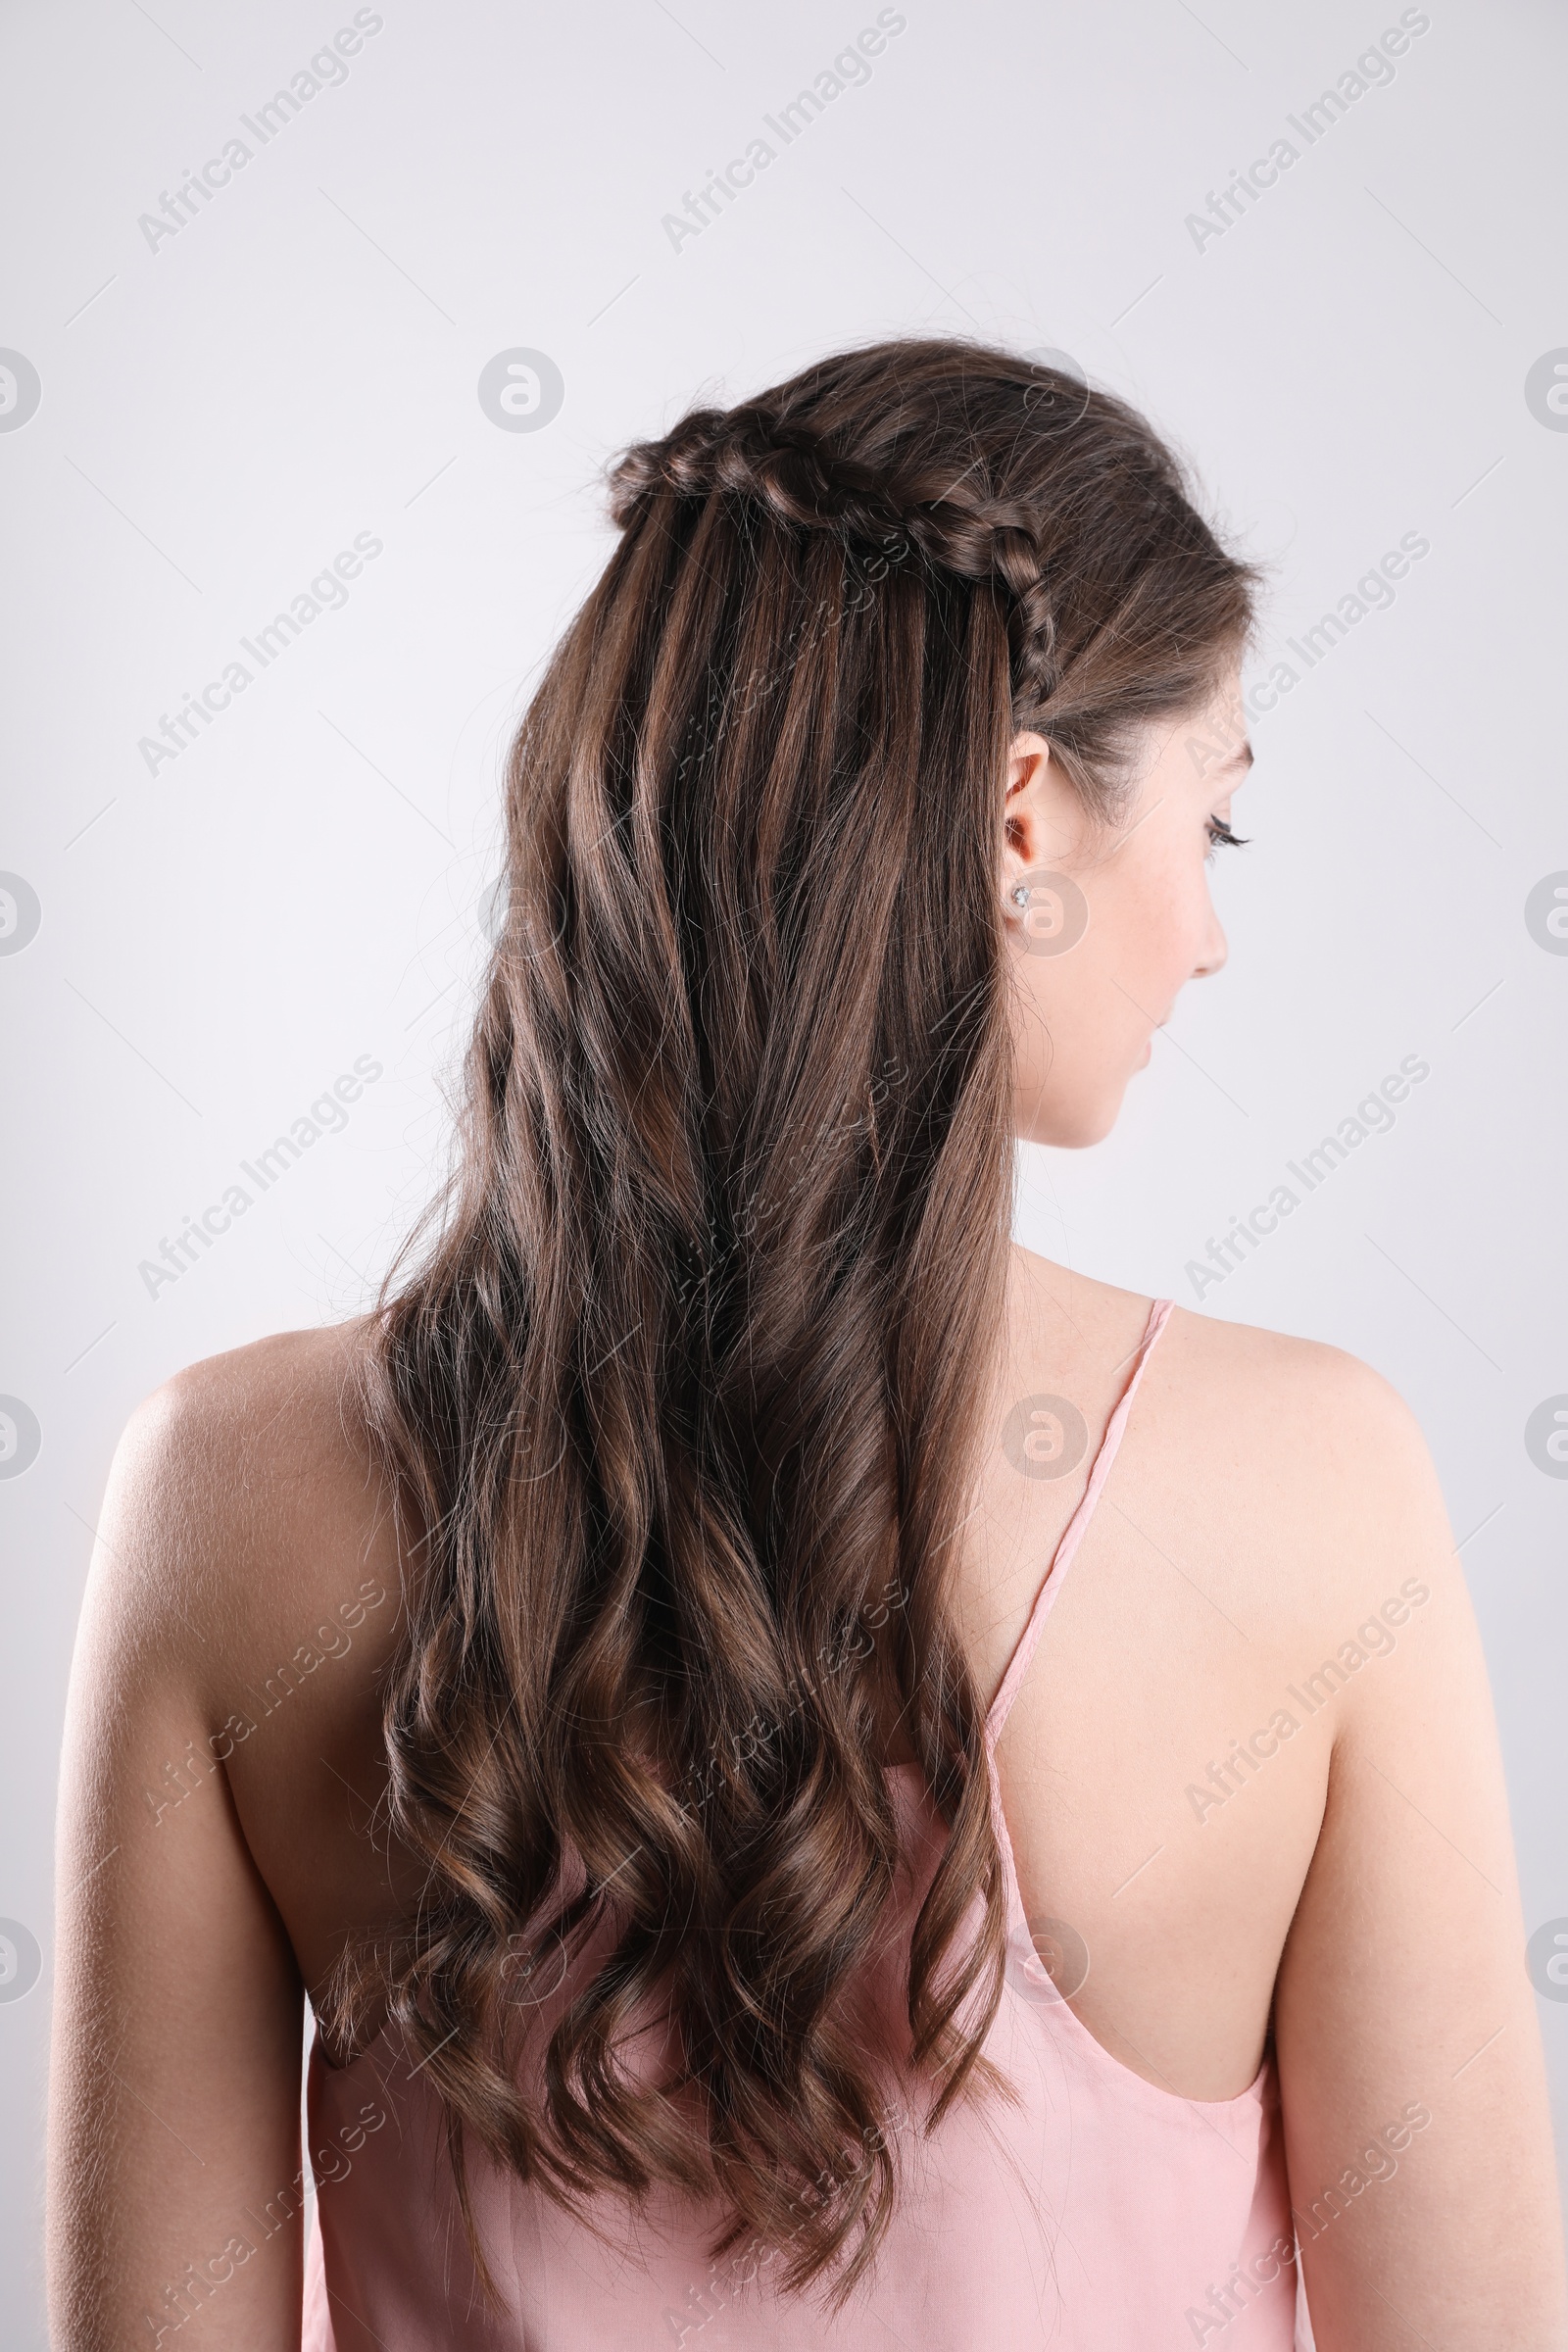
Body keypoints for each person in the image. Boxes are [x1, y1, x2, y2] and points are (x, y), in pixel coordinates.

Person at [47, 339, 1565, 2351]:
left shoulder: (225, 1497)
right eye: (1218, 827)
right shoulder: (1308, 1491)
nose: (1208, 935)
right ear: (1021, 819)